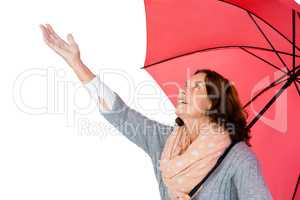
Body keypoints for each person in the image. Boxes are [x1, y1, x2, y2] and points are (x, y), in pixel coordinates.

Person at [39, 23, 273, 200]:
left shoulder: (240, 159)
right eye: (185, 85)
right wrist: (76, 63)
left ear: (213, 103)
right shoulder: (165, 141)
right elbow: (121, 114)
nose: (183, 91)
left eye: (196, 87)